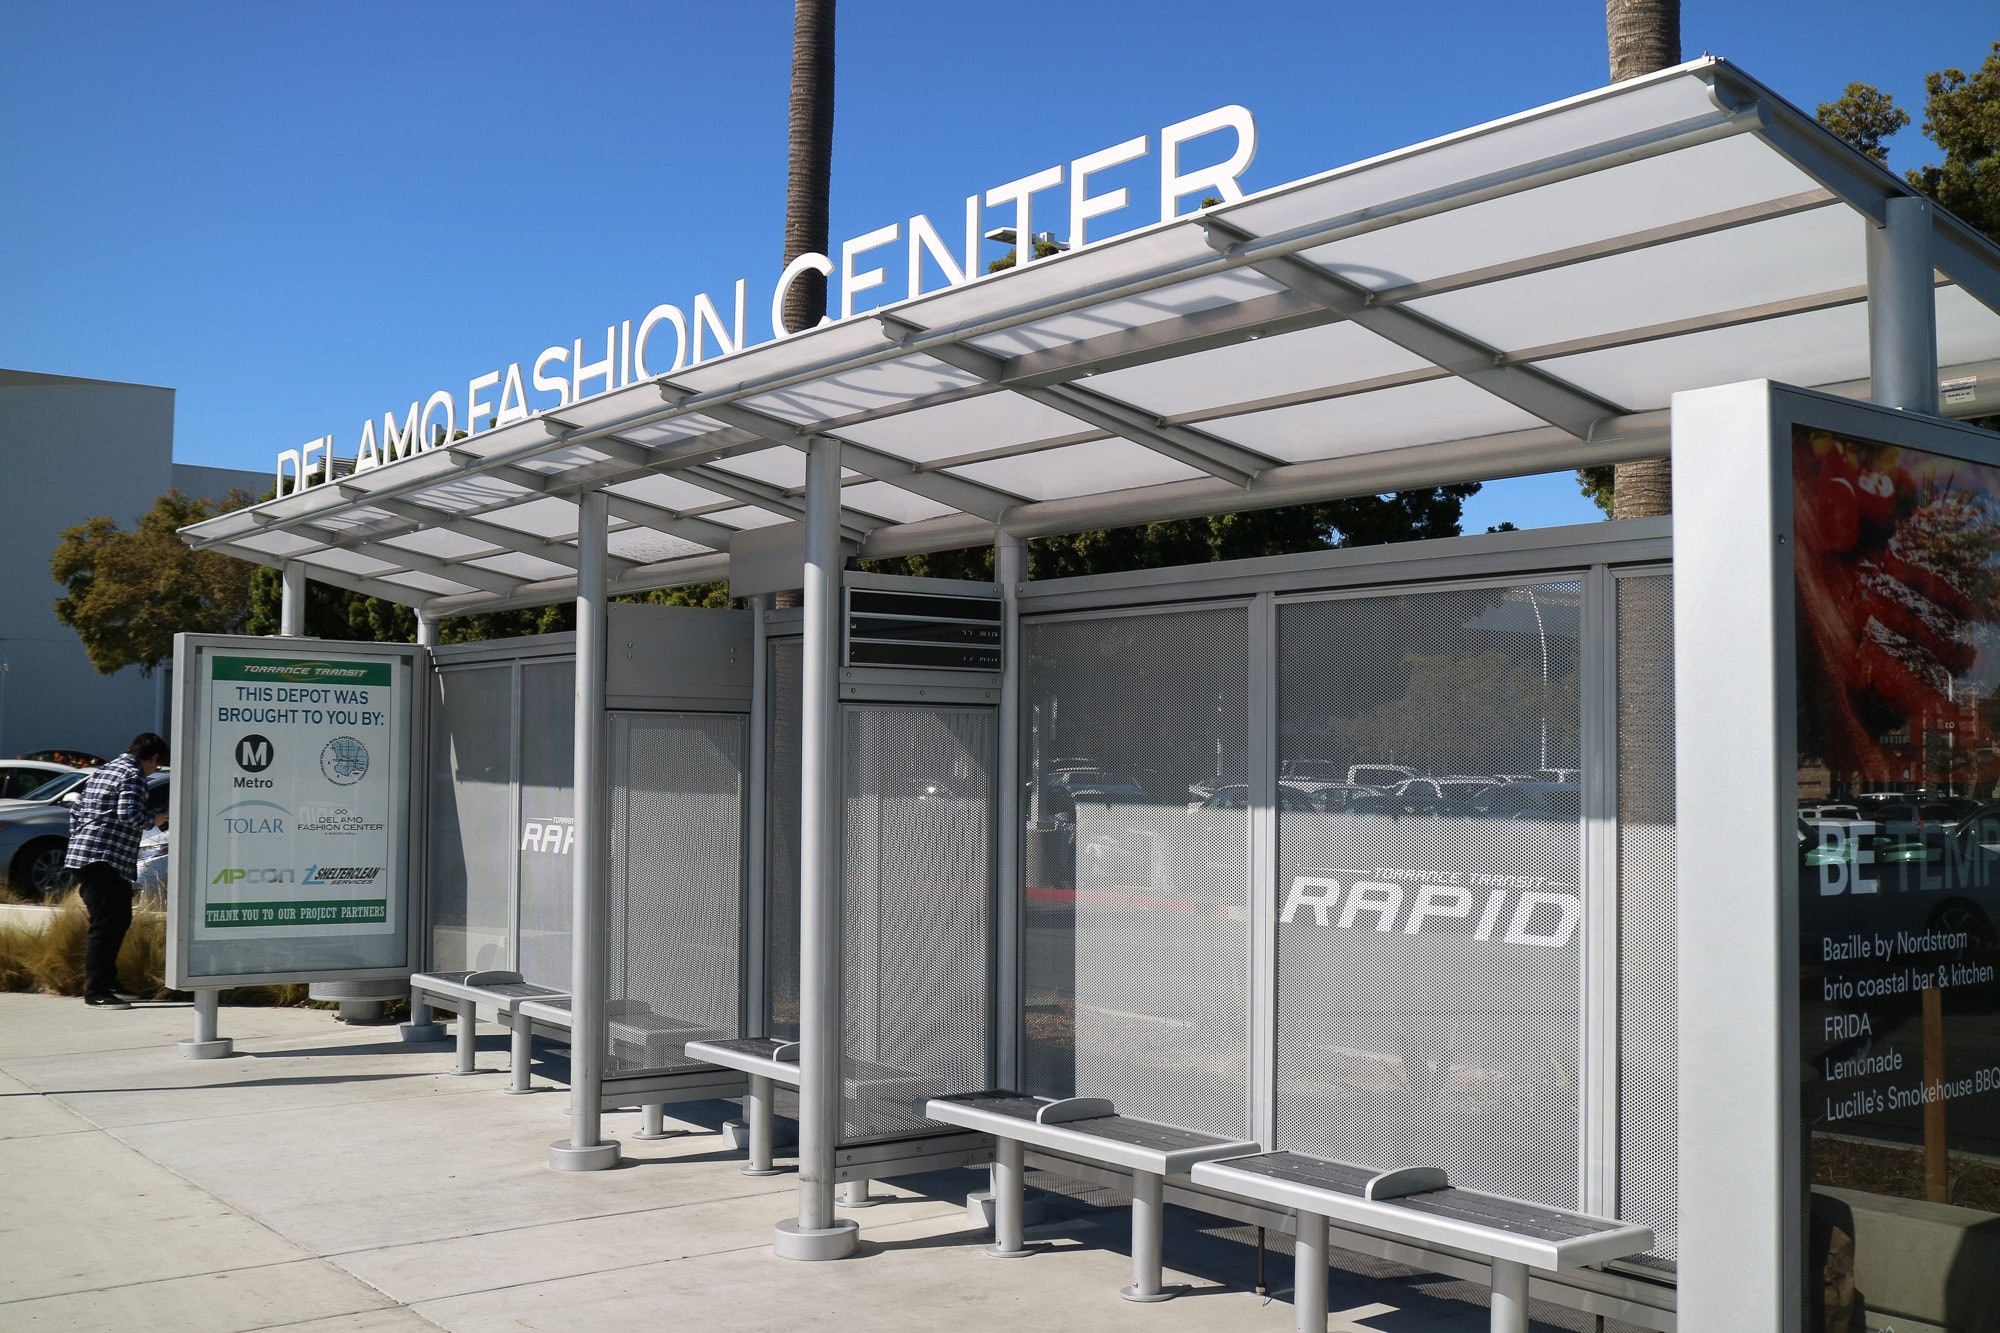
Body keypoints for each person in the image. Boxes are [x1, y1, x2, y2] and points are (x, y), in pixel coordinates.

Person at [65, 732, 169, 1009]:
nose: (154, 770)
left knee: (118, 919)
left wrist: (81, 840)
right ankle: (96, 991)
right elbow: (129, 815)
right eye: (157, 765)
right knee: (106, 924)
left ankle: (109, 982)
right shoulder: (133, 774)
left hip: (86, 856)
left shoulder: (106, 770)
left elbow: (75, 811)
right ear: (153, 758)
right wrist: (155, 818)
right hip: (105, 859)